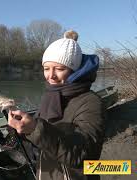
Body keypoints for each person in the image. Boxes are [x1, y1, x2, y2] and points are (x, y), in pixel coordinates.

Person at [8, 30, 104, 180]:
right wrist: (22, 131)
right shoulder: (50, 95)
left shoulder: (91, 102)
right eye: (46, 68)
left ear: (74, 70)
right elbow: (42, 144)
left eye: (59, 69)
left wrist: (36, 129)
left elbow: (84, 154)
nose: (50, 75)